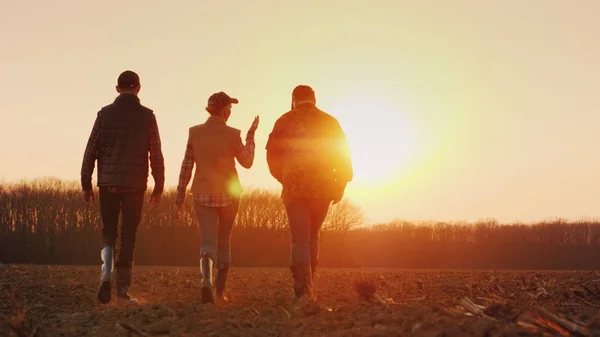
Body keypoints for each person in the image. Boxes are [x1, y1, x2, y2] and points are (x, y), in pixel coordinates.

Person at [80, 70, 165, 305]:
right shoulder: (148, 117)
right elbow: (156, 153)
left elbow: (91, 150)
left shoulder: (104, 114)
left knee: (109, 231)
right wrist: (159, 186)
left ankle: (106, 272)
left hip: (107, 183)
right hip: (135, 185)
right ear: (138, 88)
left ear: (117, 89)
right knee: (129, 235)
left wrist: (86, 183)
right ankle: (122, 291)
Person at [265, 85, 353, 302]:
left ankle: (303, 289)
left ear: (294, 99)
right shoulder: (330, 122)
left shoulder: (284, 120)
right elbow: (343, 156)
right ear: (314, 98)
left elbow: (272, 156)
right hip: (323, 189)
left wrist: (283, 177)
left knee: (300, 240)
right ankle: (310, 284)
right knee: (313, 236)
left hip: (295, 189)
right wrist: (340, 184)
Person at [176, 91, 259, 304]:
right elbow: (247, 161)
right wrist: (250, 137)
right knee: (224, 242)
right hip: (230, 194)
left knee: (208, 242)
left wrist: (180, 192)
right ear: (223, 111)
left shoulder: (194, 132)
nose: (230, 112)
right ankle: (220, 293)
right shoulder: (233, 134)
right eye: (229, 109)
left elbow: (187, 164)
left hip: (202, 192)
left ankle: (206, 280)